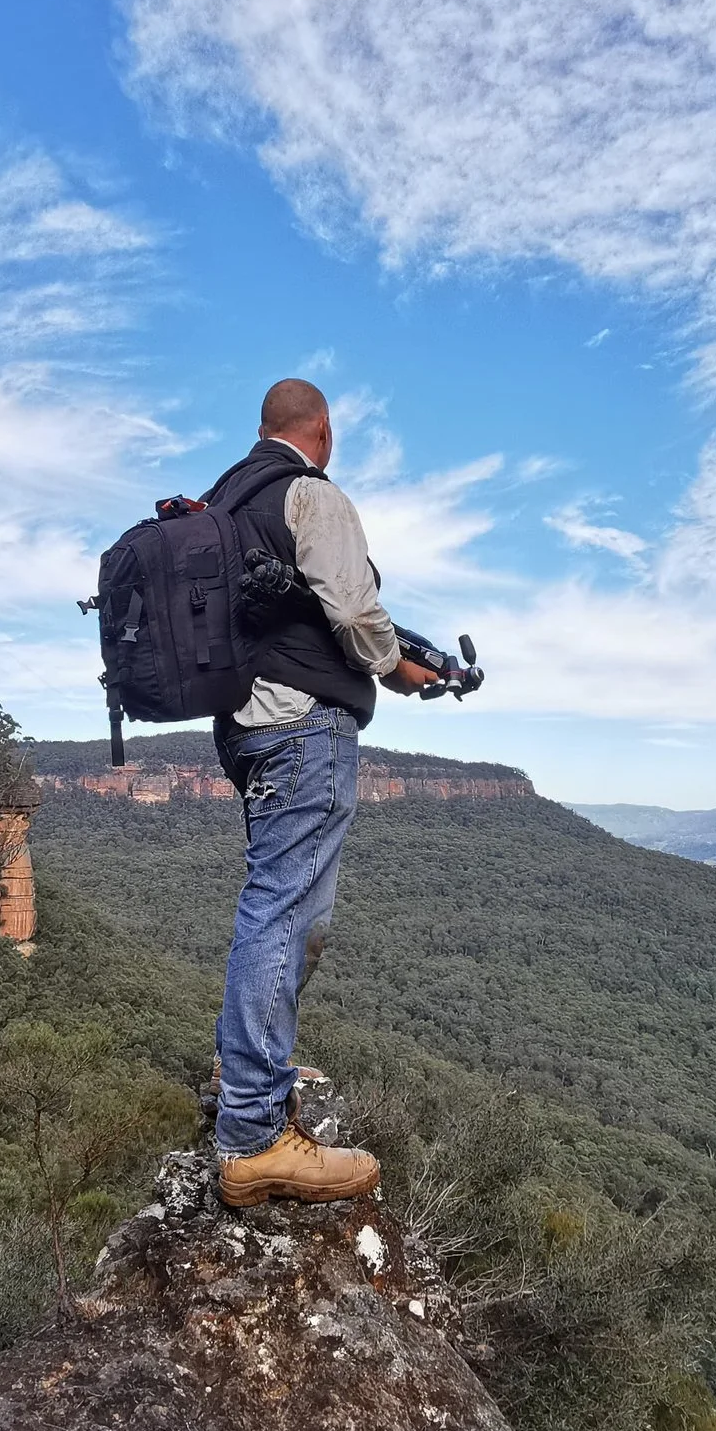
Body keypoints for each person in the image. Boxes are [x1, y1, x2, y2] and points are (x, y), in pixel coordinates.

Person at [204, 379, 437, 1207]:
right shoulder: (310, 493)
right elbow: (353, 607)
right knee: (283, 910)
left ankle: (253, 1070)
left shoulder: (224, 501)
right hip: (304, 726)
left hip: (245, 725)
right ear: (324, 433)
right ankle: (254, 1135)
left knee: (292, 912)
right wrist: (399, 666)